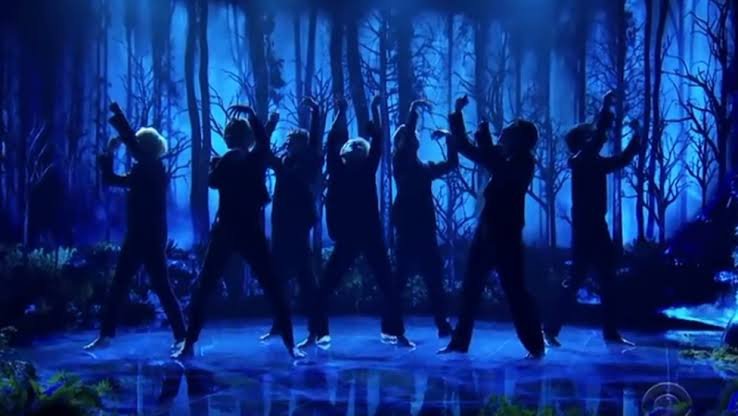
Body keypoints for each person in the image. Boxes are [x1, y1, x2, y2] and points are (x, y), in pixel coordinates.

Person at [171, 105, 301, 359]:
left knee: (206, 286)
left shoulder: (231, 161)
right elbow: (261, 144)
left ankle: (188, 344)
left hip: (229, 229)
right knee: (271, 285)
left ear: (231, 138)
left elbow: (214, 181)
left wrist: (254, 120)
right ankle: (291, 345)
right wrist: (253, 116)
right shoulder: (249, 159)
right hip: (246, 229)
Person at [299, 96, 412, 348]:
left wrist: (374, 109)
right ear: (345, 152)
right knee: (325, 286)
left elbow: (378, 142)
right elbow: (333, 141)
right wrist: (341, 111)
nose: (354, 148)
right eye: (351, 146)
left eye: (359, 147)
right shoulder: (337, 169)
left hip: (369, 236)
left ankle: (394, 332)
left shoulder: (367, 168)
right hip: (348, 237)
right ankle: (317, 333)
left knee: (388, 285)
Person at [439, 96, 545, 358]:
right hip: (487, 231)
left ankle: (535, 345)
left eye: (508, 132)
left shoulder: (523, 162)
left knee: (515, 291)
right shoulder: (503, 156)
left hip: (506, 235)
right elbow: (469, 149)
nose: (502, 134)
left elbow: (494, 164)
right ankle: (459, 342)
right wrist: (457, 115)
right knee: (470, 288)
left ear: (519, 139)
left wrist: (484, 139)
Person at [544, 91, 641, 347]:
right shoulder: (580, 160)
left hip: (597, 226)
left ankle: (608, 332)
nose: (595, 137)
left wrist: (636, 135)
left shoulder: (593, 161)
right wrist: (606, 106)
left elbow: (623, 158)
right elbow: (600, 137)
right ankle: (551, 328)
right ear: (582, 142)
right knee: (579, 278)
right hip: (588, 227)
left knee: (605, 279)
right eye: (588, 136)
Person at [84, 123, 185, 352]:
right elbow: (113, 179)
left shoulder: (151, 169)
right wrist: (111, 152)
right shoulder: (149, 168)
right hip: (143, 234)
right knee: (128, 285)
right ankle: (107, 336)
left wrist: (112, 151)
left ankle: (181, 337)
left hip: (147, 235)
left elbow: (112, 179)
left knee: (153, 286)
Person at [259, 98, 323, 341]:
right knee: (279, 277)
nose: (287, 146)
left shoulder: (309, 162)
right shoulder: (285, 163)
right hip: (282, 225)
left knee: (305, 279)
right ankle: (279, 324)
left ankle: (315, 330)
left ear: (301, 144)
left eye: (291, 142)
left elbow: (315, 145)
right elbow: (265, 153)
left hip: (298, 226)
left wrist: (316, 115)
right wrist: (270, 126)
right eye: (287, 142)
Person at [391, 99, 457, 337]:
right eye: (406, 137)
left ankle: (442, 325)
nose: (411, 137)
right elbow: (407, 137)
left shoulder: (425, 168)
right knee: (401, 278)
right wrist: (413, 110)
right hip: (408, 227)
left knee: (433, 279)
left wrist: (449, 137)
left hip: (424, 229)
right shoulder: (400, 162)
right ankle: (393, 325)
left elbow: (452, 163)